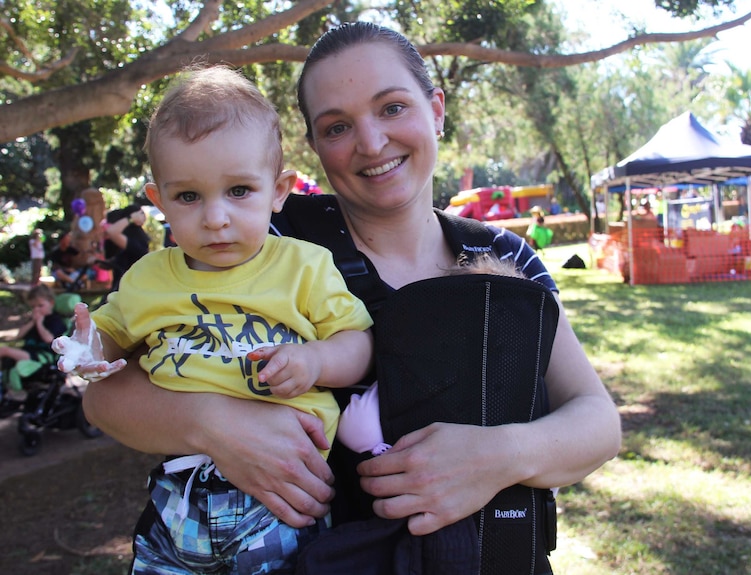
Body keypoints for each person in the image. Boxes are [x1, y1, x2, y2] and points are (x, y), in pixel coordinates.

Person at [82, 22, 620, 573]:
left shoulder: (504, 258)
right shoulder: (265, 240)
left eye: (392, 107)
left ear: (436, 109)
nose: (371, 141)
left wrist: (498, 456)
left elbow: (597, 421)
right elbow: (101, 396)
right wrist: (212, 423)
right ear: (314, 148)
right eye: (337, 126)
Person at [55, 64, 374, 574]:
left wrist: (315, 360)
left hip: (281, 500)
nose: (215, 217)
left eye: (239, 191)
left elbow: (357, 342)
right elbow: (113, 331)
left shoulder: (302, 266)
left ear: (279, 189)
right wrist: (89, 351)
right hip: (177, 490)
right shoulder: (148, 278)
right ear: (158, 202)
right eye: (188, 196)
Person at [0, 285, 68, 400]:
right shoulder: (32, 320)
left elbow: (49, 339)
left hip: (43, 356)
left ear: (51, 303)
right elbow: (19, 335)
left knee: (4, 351)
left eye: (40, 306)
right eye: (33, 307)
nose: (37, 310)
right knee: (6, 357)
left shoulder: (55, 320)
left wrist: (39, 324)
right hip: (28, 352)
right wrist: (32, 322)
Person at [101, 203, 150, 291]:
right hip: (125, 288)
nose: (144, 215)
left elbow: (111, 231)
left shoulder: (137, 241)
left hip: (131, 289)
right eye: (141, 213)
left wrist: (130, 218)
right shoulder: (131, 237)